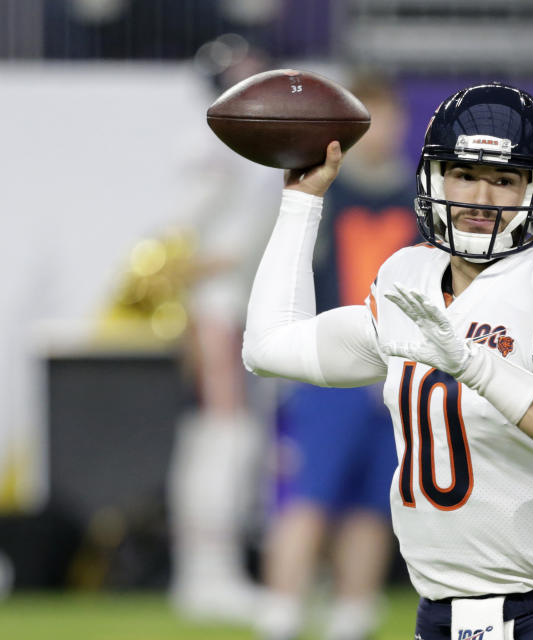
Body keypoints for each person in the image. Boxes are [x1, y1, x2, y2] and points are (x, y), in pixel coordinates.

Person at [243, 83, 533, 639]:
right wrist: (302, 201)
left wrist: (474, 365)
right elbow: (269, 347)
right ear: (432, 178)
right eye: (464, 174)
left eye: (504, 180)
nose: (482, 197)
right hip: (443, 616)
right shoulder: (409, 279)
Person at [256, 76, 418, 640]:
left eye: (387, 118)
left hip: (396, 371)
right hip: (329, 368)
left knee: (375, 501)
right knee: (310, 494)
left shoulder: (418, 199)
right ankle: (282, 608)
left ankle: (352, 610)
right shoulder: (323, 192)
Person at [167, 35, 278, 623]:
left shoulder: (250, 143)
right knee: (225, 433)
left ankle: (216, 571)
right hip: (219, 303)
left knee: (240, 436)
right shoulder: (213, 140)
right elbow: (183, 236)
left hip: (242, 301)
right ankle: (208, 574)